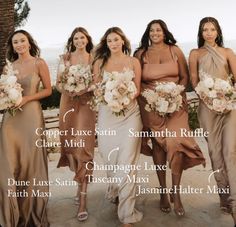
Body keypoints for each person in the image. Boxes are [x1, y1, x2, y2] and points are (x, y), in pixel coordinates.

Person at [134, 19, 205, 217]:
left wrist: (174, 94)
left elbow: (184, 77)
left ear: (164, 33)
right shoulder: (141, 54)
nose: (155, 33)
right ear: (148, 33)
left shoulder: (175, 50)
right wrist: (153, 100)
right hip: (151, 104)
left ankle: (176, 191)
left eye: (158, 29)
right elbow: (137, 82)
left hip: (176, 104)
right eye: (152, 30)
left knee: (176, 143)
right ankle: (163, 191)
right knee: (159, 146)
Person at [0, 30, 52, 227]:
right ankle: (9, 214)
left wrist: (26, 98)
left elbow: (48, 90)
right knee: (8, 164)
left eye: (22, 41)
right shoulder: (9, 68)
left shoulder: (39, 63)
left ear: (29, 43)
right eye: (15, 42)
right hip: (10, 120)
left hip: (31, 117)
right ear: (12, 46)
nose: (19, 44)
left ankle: (31, 210)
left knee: (31, 163)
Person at [93, 27, 143, 227]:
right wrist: (110, 98)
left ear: (123, 41)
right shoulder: (100, 63)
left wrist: (123, 99)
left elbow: (137, 89)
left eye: (116, 39)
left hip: (130, 114)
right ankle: (116, 190)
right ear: (106, 44)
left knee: (127, 161)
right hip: (107, 114)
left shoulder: (133, 62)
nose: (113, 43)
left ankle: (127, 214)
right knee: (110, 156)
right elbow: (97, 90)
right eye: (109, 41)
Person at [189, 17, 236, 226]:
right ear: (200, 32)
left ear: (218, 31)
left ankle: (235, 202)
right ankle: (224, 196)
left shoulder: (228, 52)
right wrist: (209, 99)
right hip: (207, 108)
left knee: (230, 152)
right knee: (215, 153)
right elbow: (193, 80)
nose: (209, 33)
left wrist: (228, 97)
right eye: (205, 29)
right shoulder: (195, 54)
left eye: (212, 29)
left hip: (229, 108)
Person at [56, 27, 96, 222]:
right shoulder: (65, 58)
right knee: (71, 145)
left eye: (82, 37)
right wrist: (69, 88)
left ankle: (83, 199)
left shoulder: (94, 58)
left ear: (87, 39)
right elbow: (58, 83)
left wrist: (83, 89)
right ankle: (79, 184)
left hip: (86, 104)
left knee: (84, 147)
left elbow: (97, 82)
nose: (79, 40)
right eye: (76, 38)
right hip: (68, 103)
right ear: (72, 40)